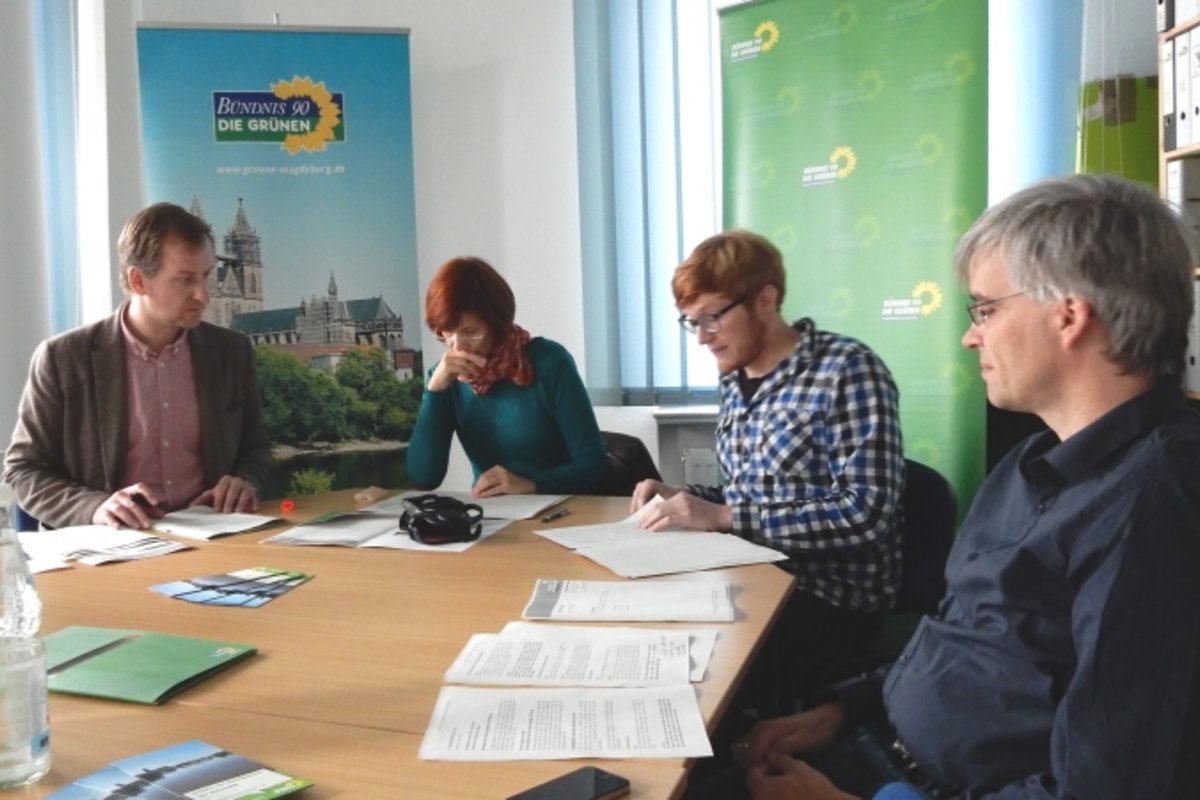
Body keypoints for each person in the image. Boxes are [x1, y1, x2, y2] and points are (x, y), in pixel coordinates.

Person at [698, 174, 1200, 800]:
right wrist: (842, 711)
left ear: (1068, 315)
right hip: (874, 748)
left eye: (987, 309)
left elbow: (1104, 787)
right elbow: (958, 638)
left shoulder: (1154, 507)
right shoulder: (1031, 462)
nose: (971, 334)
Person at [633, 229, 905, 702]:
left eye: (712, 318)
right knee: (643, 627)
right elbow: (750, 494)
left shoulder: (847, 370)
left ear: (765, 300)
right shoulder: (736, 381)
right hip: (750, 574)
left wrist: (725, 516)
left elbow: (868, 514)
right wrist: (681, 498)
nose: (700, 338)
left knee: (691, 674)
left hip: (826, 597)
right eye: (690, 322)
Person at [4, 202, 271, 530]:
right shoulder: (63, 359)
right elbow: (23, 469)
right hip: (106, 554)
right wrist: (95, 507)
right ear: (138, 281)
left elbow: (256, 448)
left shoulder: (231, 352)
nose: (203, 295)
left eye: (206, 276)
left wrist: (245, 481)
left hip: (216, 541)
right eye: (185, 279)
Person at [406, 256, 607, 497]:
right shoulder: (445, 376)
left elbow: (594, 464)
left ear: (497, 324)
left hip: (561, 508)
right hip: (492, 515)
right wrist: (434, 392)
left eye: (471, 332)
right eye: (446, 333)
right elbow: (423, 478)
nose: (458, 346)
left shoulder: (549, 361)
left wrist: (532, 484)